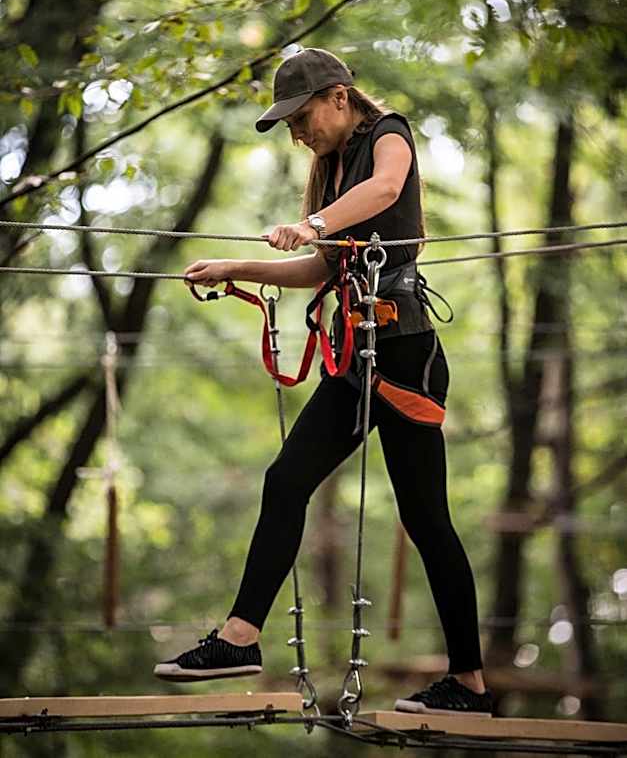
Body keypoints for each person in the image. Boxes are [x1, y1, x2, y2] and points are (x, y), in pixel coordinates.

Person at [153, 48, 493, 716]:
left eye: (300, 116)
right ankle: (239, 637)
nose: (296, 132)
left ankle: (470, 683)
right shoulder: (331, 172)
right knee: (285, 481)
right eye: (286, 124)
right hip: (356, 358)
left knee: (426, 520)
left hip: (404, 353)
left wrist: (311, 224)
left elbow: (388, 191)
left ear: (338, 97)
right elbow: (319, 272)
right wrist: (233, 268)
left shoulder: (386, 136)